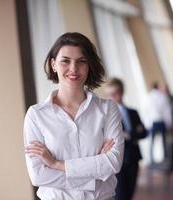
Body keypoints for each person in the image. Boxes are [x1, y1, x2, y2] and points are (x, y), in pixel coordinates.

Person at [23, 32, 124, 200]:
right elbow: (39, 176)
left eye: (81, 61)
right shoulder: (36, 115)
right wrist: (96, 167)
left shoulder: (107, 109)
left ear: (89, 65)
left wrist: (57, 164)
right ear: (53, 64)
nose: (73, 69)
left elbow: (113, 163)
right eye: (65, 61)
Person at [106, 78, 147, 200]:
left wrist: (127, 135)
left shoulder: (133, 112)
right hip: (117, 159)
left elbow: (144, 132)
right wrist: (133, 133)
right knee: (120, 194)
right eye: (109, 95)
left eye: (114, 93)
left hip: (133, 157)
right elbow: (109, 137)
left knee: (130, 192)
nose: (112, 97)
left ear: (121, 92)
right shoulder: (107, 116)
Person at [146, 81, 173, 164]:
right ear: (158, 87)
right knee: (163, 140)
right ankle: (165, 158)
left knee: (152, 141)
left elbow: (146, 111)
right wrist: (169, 124)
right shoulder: (162, 96)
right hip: (161, 121)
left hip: (152, 122)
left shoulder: (148, 96)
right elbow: (167, 111)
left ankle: (151, 159)